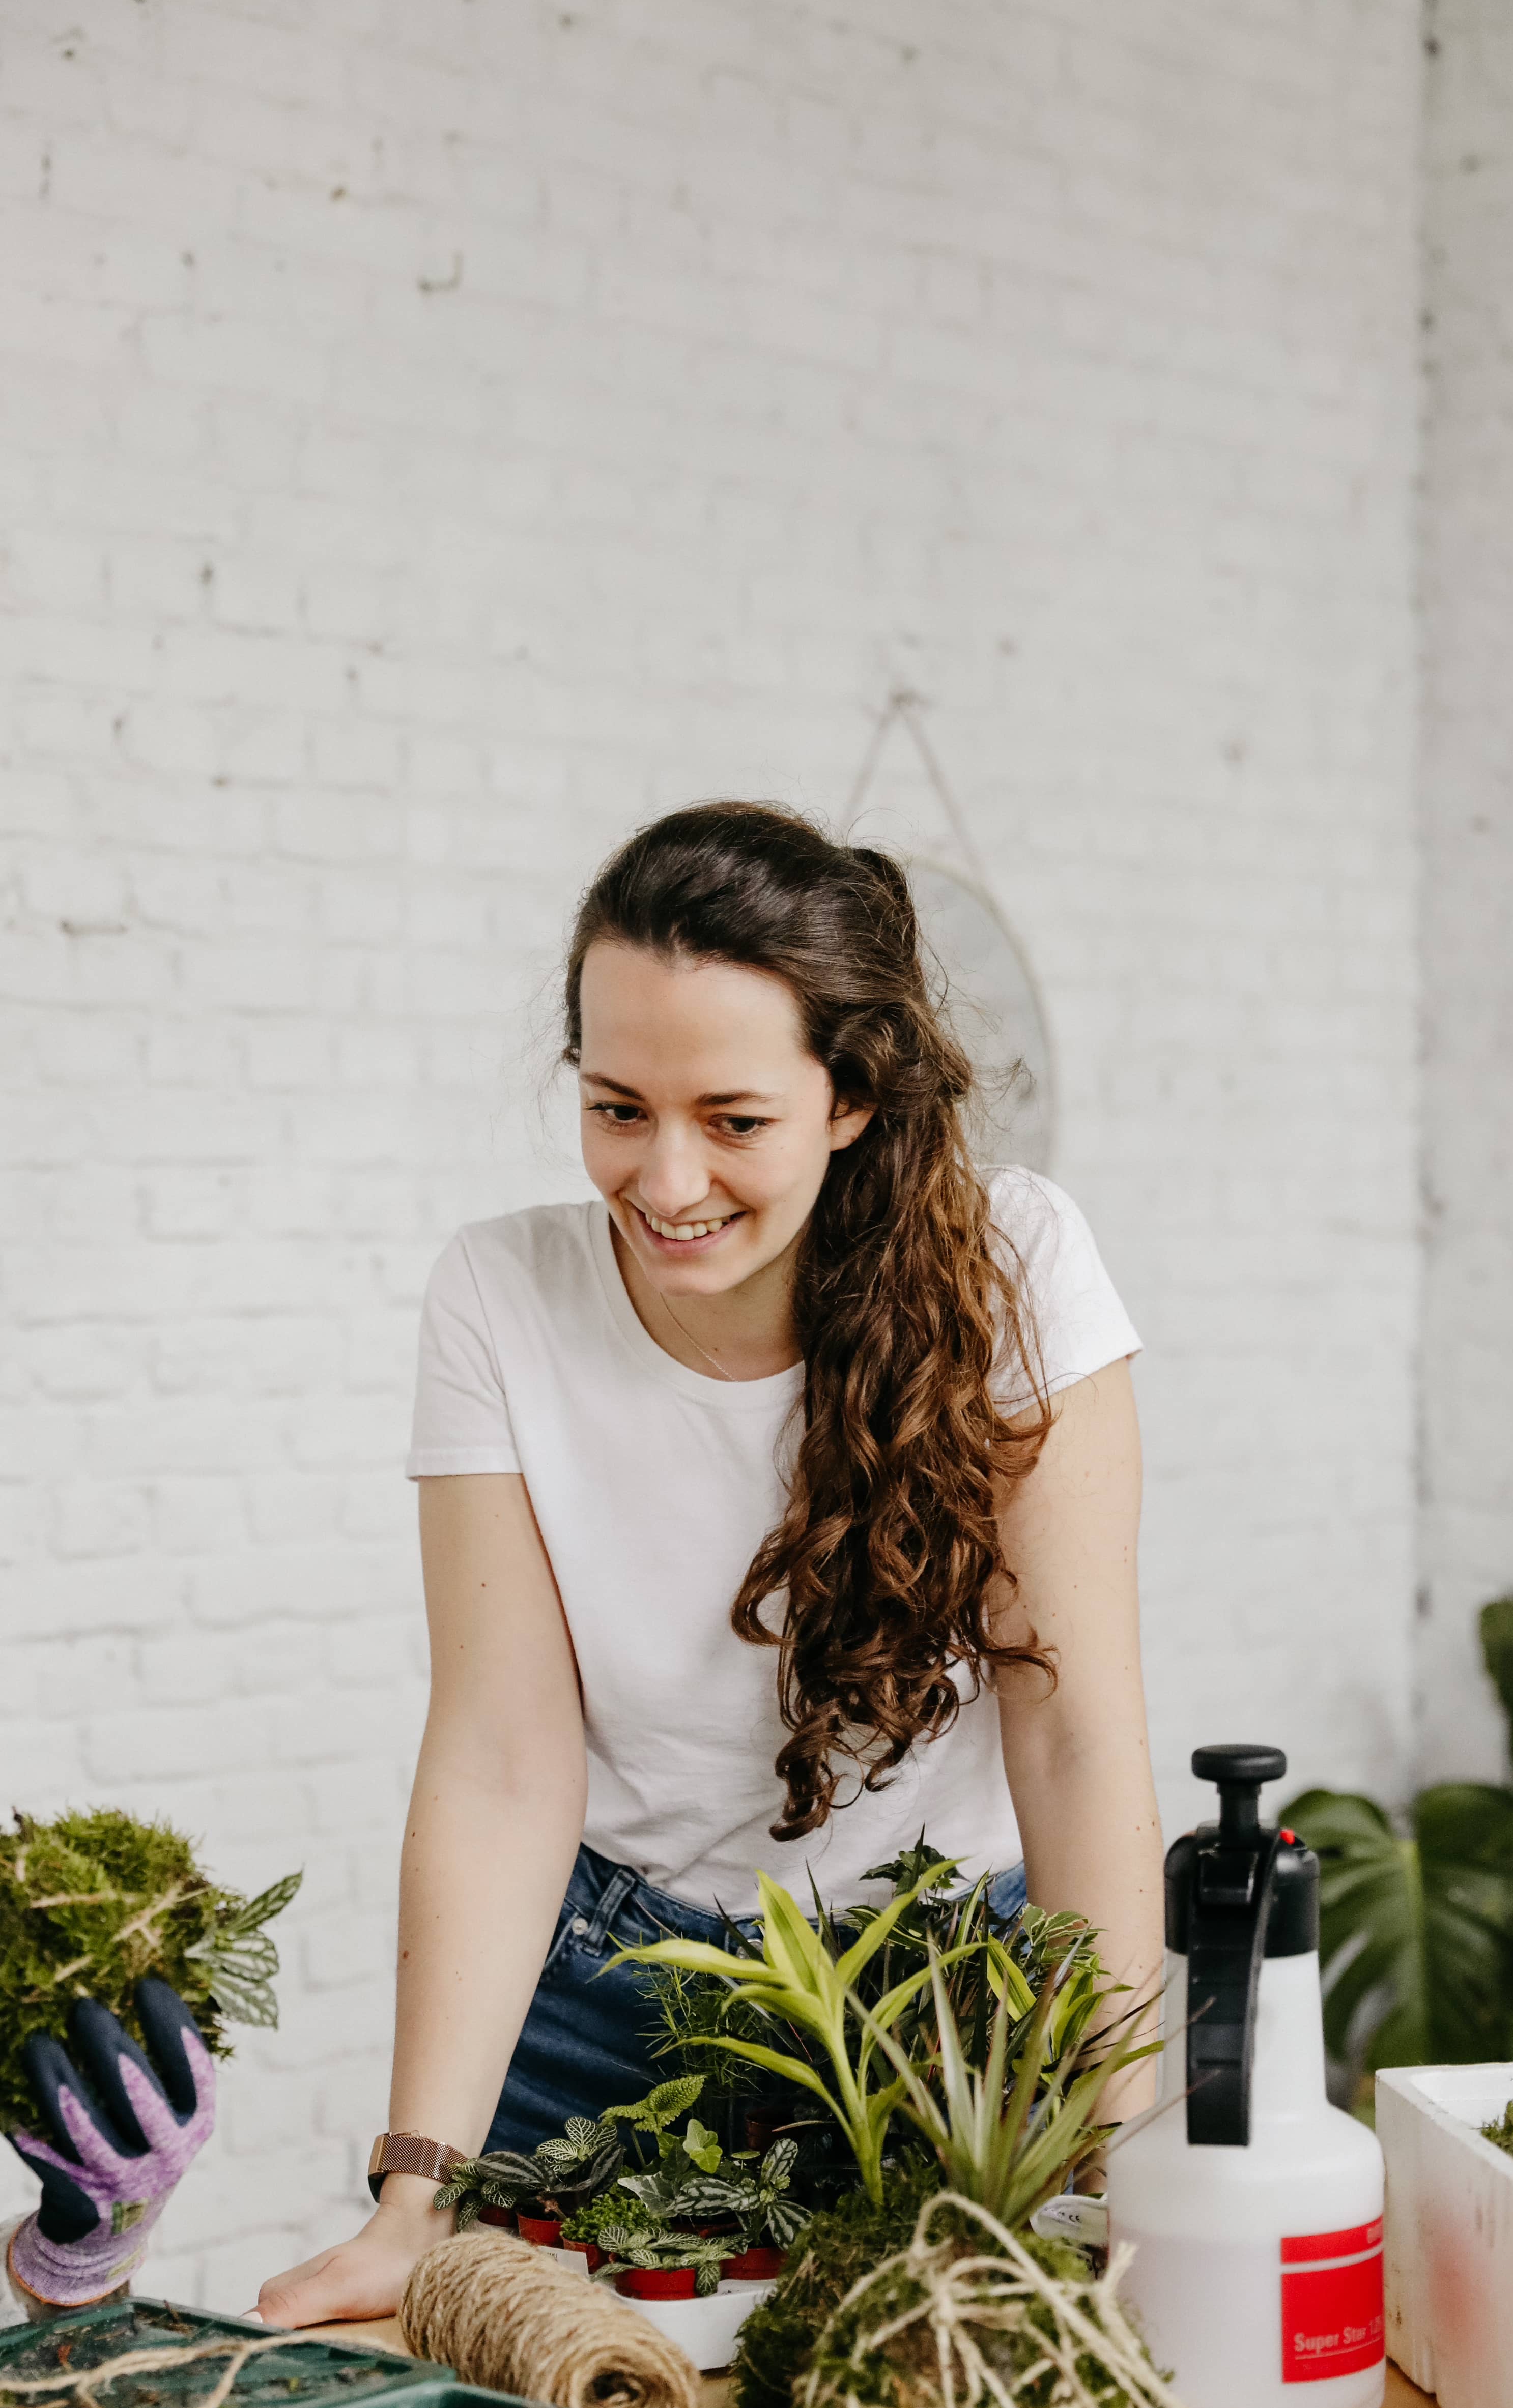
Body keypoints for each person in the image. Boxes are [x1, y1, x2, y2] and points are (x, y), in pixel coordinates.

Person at [258, 802, 1160, 2325]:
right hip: (608, 2010)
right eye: (618, 1109)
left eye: (733, 1121)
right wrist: (415, 2196)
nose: (667, 1182)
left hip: (950, 2019)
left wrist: (1120, 2154)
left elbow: (1071, 1728)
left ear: (850, 1097)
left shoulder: (1013, 1266)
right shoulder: (499, 1295)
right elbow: (501, 1760)